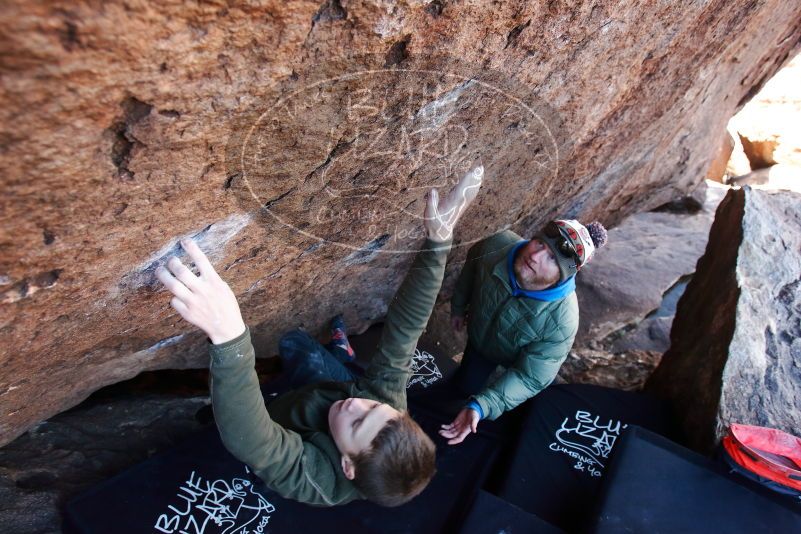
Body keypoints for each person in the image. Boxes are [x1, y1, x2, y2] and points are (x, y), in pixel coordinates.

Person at [155, 165, 483, 507]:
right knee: (296, 345)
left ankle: (225, 411)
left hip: (291, 420)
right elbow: (405, 330)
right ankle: (342, 359)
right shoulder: (385, 411)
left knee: (223, 421)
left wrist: (229, 338)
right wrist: (438, 242)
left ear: (347, 465)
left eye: (358, 423)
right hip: (325, 393)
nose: (359, 405)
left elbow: (254, 442)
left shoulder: (320, 481)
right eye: (374, 407)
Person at [439, 219, 608, 445]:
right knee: (464, 385)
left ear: (563, 275)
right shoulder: (497, 246)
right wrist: (459, 306)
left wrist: (483, 406)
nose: (535, 256)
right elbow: (471, 269)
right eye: (540, 244)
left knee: (507, 402)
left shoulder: (562, 320)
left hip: (519, 359)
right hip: (480, 344)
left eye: (551, 259)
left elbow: (530, 376)